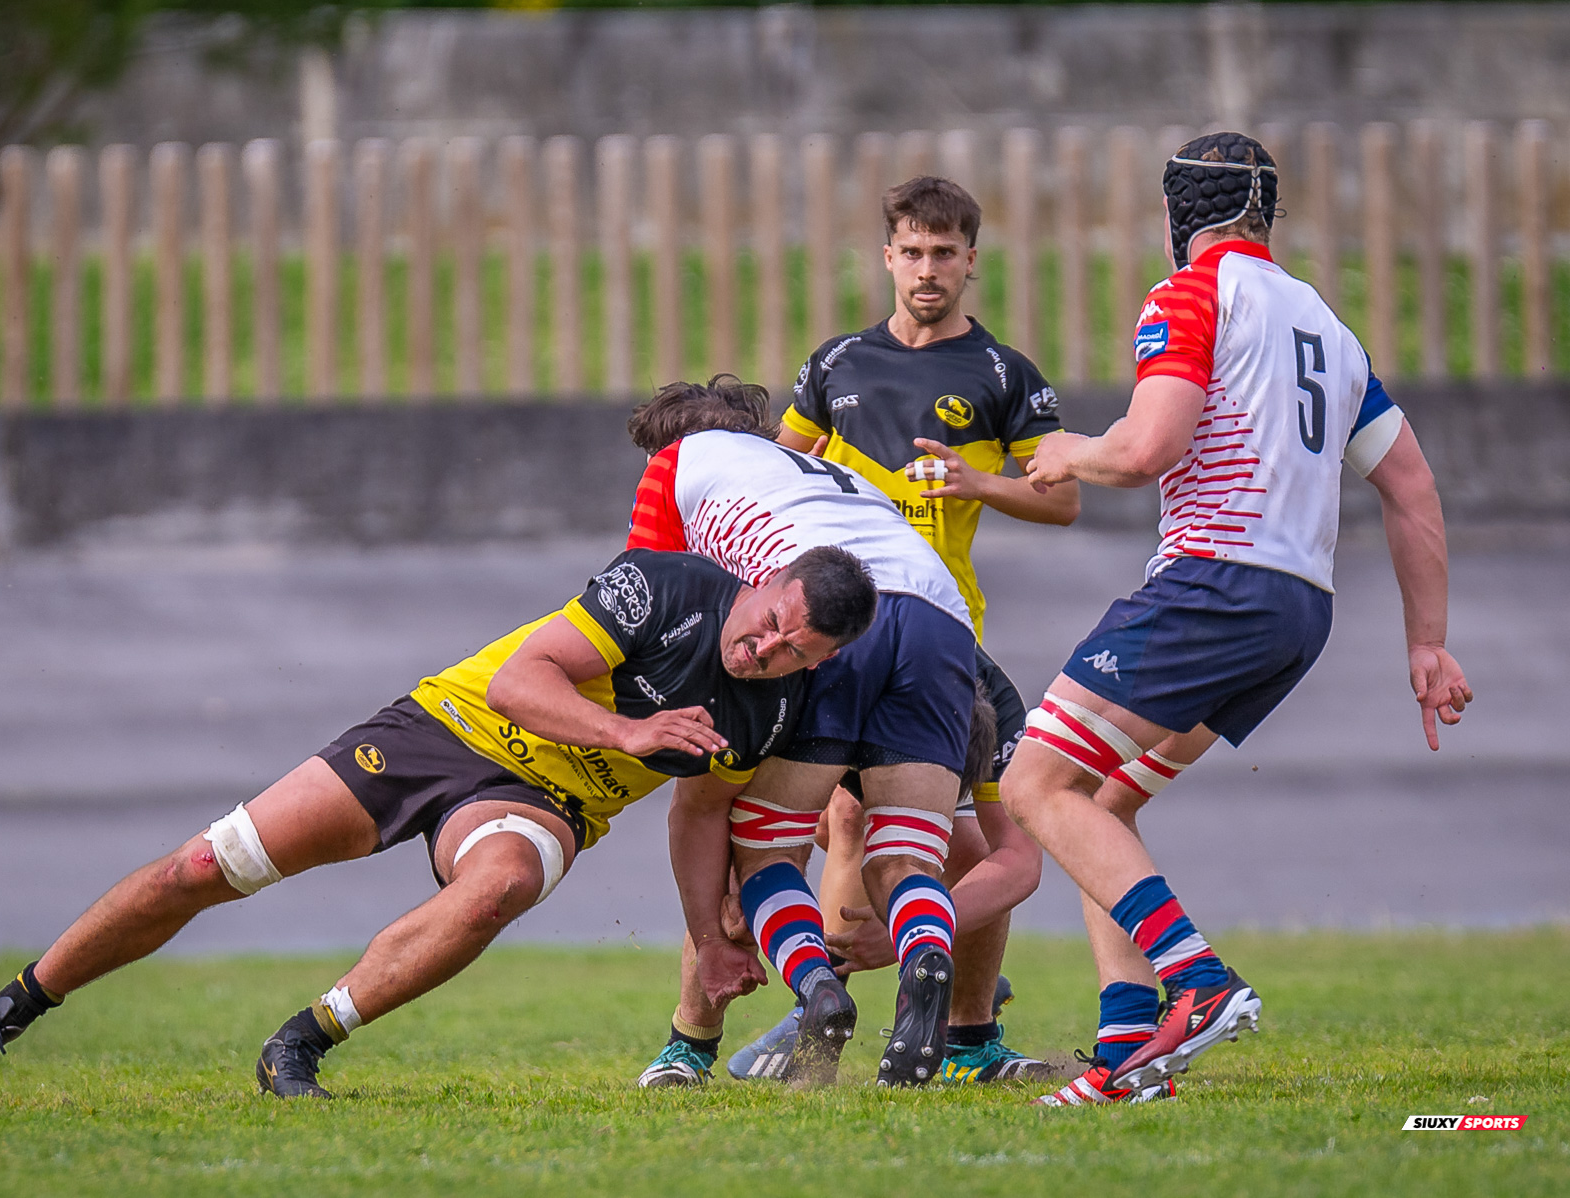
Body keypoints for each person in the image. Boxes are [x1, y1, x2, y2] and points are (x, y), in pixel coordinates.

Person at [0, 545, 878, 1098]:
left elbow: (699, 817)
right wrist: (630, 732)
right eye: (769, 622)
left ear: (819, 661)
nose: (764, 649)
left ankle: (301, 1042)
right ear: (764, 581)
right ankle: (11, 1007)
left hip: (546, 802)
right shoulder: (668, 587)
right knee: (204, 869)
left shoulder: (772, 712)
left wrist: (709, 936)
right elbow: (518, 681)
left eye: (792, 651)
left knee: (500, 886)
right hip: (445, 730)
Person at [1004, 132, 1473, 1106]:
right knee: (1103, 800)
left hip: (1215, 582)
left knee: (1035, 782)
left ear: (1177, 216)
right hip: (1300, 608)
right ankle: (1130, 1052)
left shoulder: (1188, 294)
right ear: (1268, 216)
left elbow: (1148, 447)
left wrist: (1068, 451)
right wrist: (1428, 642)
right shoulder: (1328, 328)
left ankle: (1199, 982)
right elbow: (1412, 488)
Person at [731, 173, 1080, 1084]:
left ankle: (928, 1013)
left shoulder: (1002, 376)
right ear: (888, 258)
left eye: (945, 254)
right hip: (836, 628)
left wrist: (978, 483)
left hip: (943, 636)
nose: (928, 270)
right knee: (869, 825)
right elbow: (780, 469)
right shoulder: (837, 364)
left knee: (925, 837)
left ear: (971, 261)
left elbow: (1063, 500)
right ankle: (898, 993)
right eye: (913, 252)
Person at [622, 377, 1040, 1089]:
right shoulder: (824, 479)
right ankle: (929, 958)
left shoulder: (677, 463)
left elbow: (649, 599)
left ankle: (782, 1002)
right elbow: (1014, 860)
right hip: (941, 628)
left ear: (673, 440)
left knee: (757, 846)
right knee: (906, 854)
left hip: (821, 625)